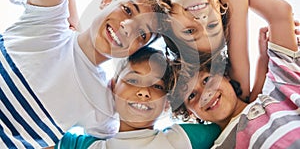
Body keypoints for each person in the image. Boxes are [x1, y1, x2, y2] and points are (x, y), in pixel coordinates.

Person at [0, 0, 168, 148]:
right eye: (128, 10)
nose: (127, 28)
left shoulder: (103, 105)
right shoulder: (46, 24)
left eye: (142, 34)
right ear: (107, 1)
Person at [69, 0, 252, 100]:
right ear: (219, 10)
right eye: (212, 27)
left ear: (169, 22)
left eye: (190, 31)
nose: (202, 21)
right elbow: (241, 88)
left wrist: (74, 28)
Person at [170, 0, 300, 148]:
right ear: (191, 112)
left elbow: (280, 13)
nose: (205, 94)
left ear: (225, 76)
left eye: (207, 80)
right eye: (191, 96)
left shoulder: (279, 87)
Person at [48, 46, 221, 149]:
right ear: (113, 87)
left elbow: (238, 114)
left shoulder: (182, 139)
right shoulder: (85, 146)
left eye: (157, 86)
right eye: (132, 80)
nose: (144, 92)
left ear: (167, 103)